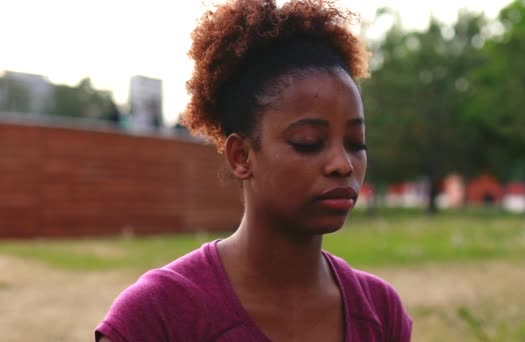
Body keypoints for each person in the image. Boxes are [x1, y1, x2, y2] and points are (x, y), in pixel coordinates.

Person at [95, 0, 413, 341]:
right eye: (308, 142)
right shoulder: (157, 315)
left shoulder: (381, 311)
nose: (342, 164)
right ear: (241, 156)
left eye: (355, 142)